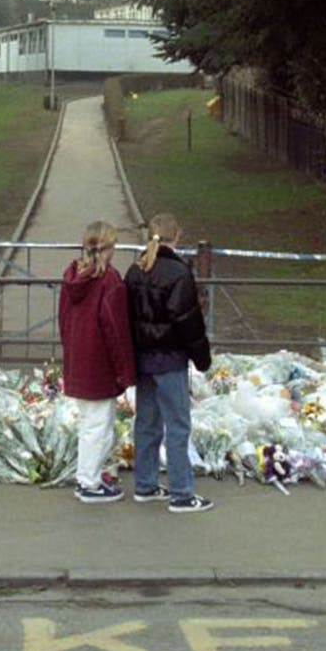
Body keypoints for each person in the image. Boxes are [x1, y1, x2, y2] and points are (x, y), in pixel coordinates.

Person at [124, 213, 214, 513]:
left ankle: (145, 484)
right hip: (171, 359)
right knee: (177, 425)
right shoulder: (178, 273)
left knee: (147, 423)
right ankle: (181, 492)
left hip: (143, 358)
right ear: (177, 236)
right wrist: (202, 358)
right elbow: (189, 321)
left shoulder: (136, 270)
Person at [58, 220, 136, 503]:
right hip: (100, 362)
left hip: (78, 357)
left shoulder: (72, 275)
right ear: (109, 247)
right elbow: (115, 330)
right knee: (98, 425)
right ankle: (89, 482)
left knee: (88, 424)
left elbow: (63, 320)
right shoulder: (110, 280)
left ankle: (87, 477)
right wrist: (125, 371)